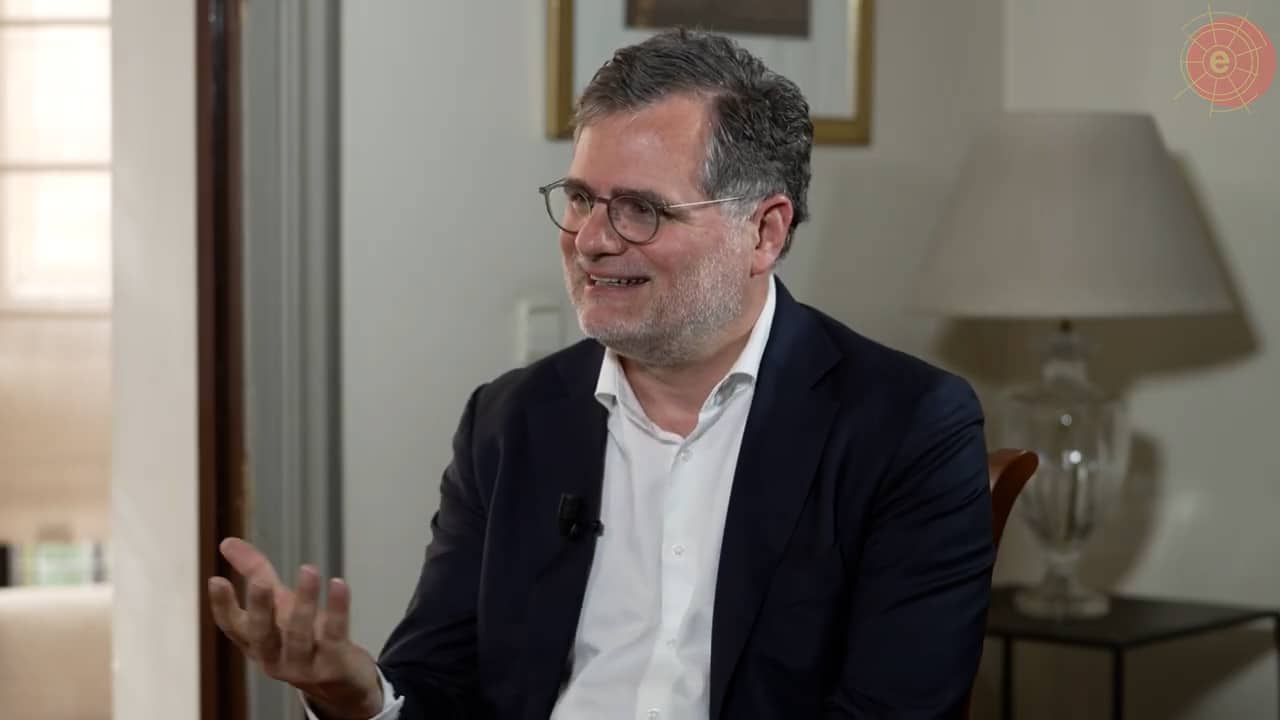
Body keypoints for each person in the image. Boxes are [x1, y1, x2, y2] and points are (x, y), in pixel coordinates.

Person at [208, 28, 994, 720]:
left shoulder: (906, 425)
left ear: (763, 232)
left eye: (640, 210)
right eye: (581, 199)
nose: (589, 240)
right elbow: (439, 686)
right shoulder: (511, 421)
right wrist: (363, 699)